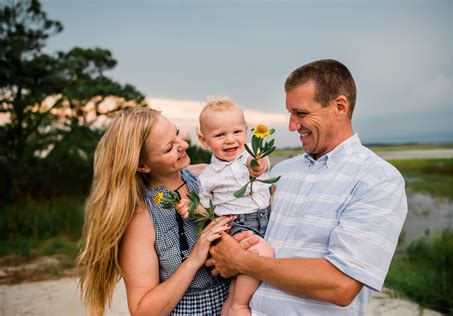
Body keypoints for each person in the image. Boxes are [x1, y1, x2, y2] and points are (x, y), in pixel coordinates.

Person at [205, 59, 408, 315]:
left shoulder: (378, 179)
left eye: (301, 114)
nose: (292, 126)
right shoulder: (281, 172)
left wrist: (243, 262)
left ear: (339, 107)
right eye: (290, 114)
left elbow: (340, 286)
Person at [77, 108, 253, 315]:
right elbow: (142, 311)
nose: (184, 145)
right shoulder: (142, 218)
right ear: (142, 165)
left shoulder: (206, 176)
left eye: (177, 133)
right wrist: (194, 259)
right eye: (170, 147)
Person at [176, 96, 274, 316]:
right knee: (260, 254)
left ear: (246, 131)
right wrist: (190, 208)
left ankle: (230, 306)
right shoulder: (209, 176)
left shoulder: (251, 154)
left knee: (240, 279)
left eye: (236, 132)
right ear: (203, 139)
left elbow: (261, 164)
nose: (230, 140)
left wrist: (257, 165)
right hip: (236, 225)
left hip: (264, 218)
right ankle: (239, 306)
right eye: (220, 135)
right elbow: (206, 208)